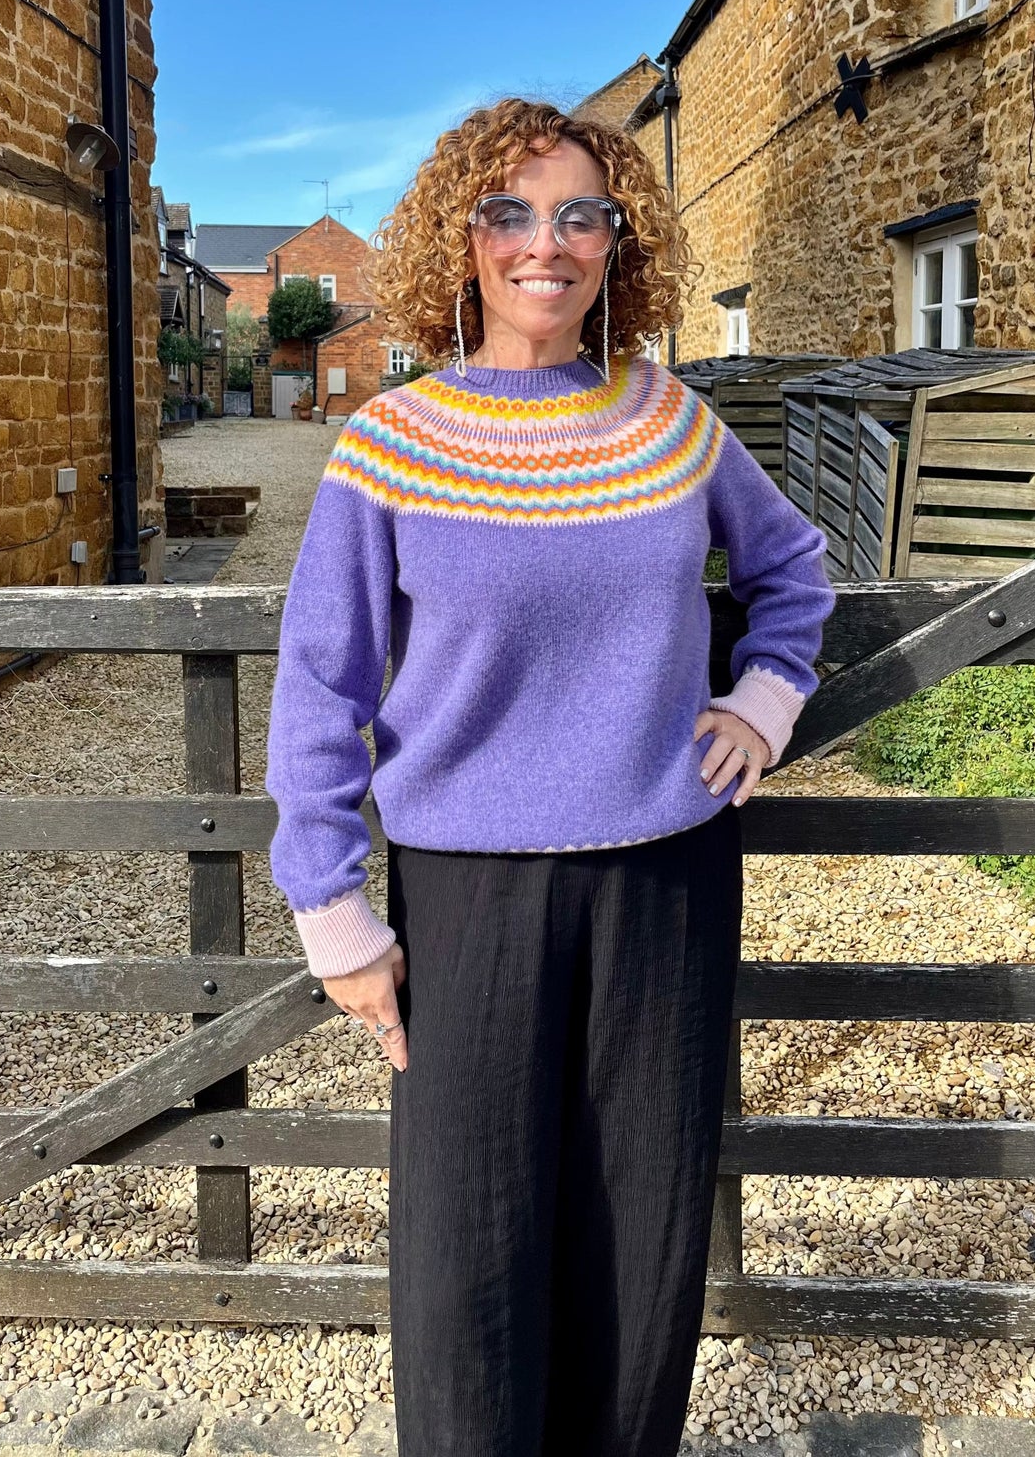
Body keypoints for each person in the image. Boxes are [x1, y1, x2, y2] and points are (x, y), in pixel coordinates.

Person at [266, 96, 835, 1457]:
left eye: (582, 214)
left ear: (614, 245)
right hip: (467, 890)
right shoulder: (392, 441)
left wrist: (760, 700)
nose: (547, 243)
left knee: (641, 1229)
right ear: (459, 242)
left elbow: (791, 572)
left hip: (664, 876)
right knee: (469, 1236)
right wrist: (331, 913)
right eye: (510, 213)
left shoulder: (669, 423)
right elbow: (320, 679)